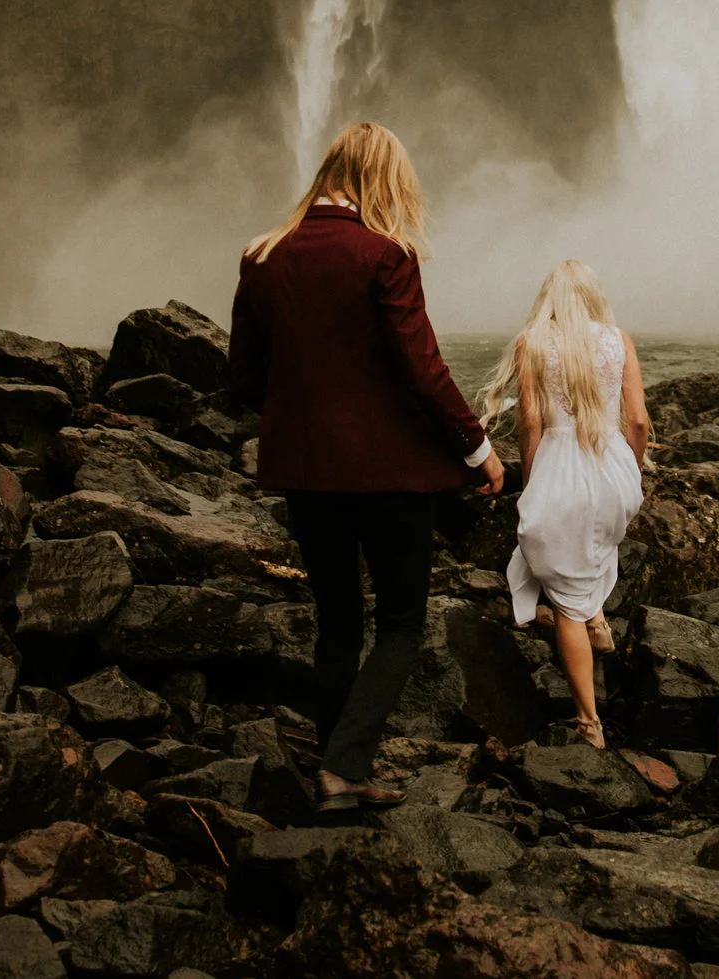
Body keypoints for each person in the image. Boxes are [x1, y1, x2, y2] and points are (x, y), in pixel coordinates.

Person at [226, 121, 502, 812]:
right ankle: (344, 764)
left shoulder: (261, 257)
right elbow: (423, 370)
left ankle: (339, 774)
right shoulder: (386, 255)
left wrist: (304, 418)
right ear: (383, 178)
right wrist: (478, 447)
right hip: (388, 478)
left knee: (338, 624)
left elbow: (244, 380)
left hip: (306, 473)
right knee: (402, 621)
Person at [477, 259, 649, 749]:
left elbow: (530, 422)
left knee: (564, 593)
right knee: (596, 533)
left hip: (560, 462)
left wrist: (532, 477)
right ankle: (597, 621)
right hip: (612, 461)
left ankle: (589, 722)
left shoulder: (532, 342)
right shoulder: (620, 340)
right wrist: (630, 470)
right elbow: (636, 420)